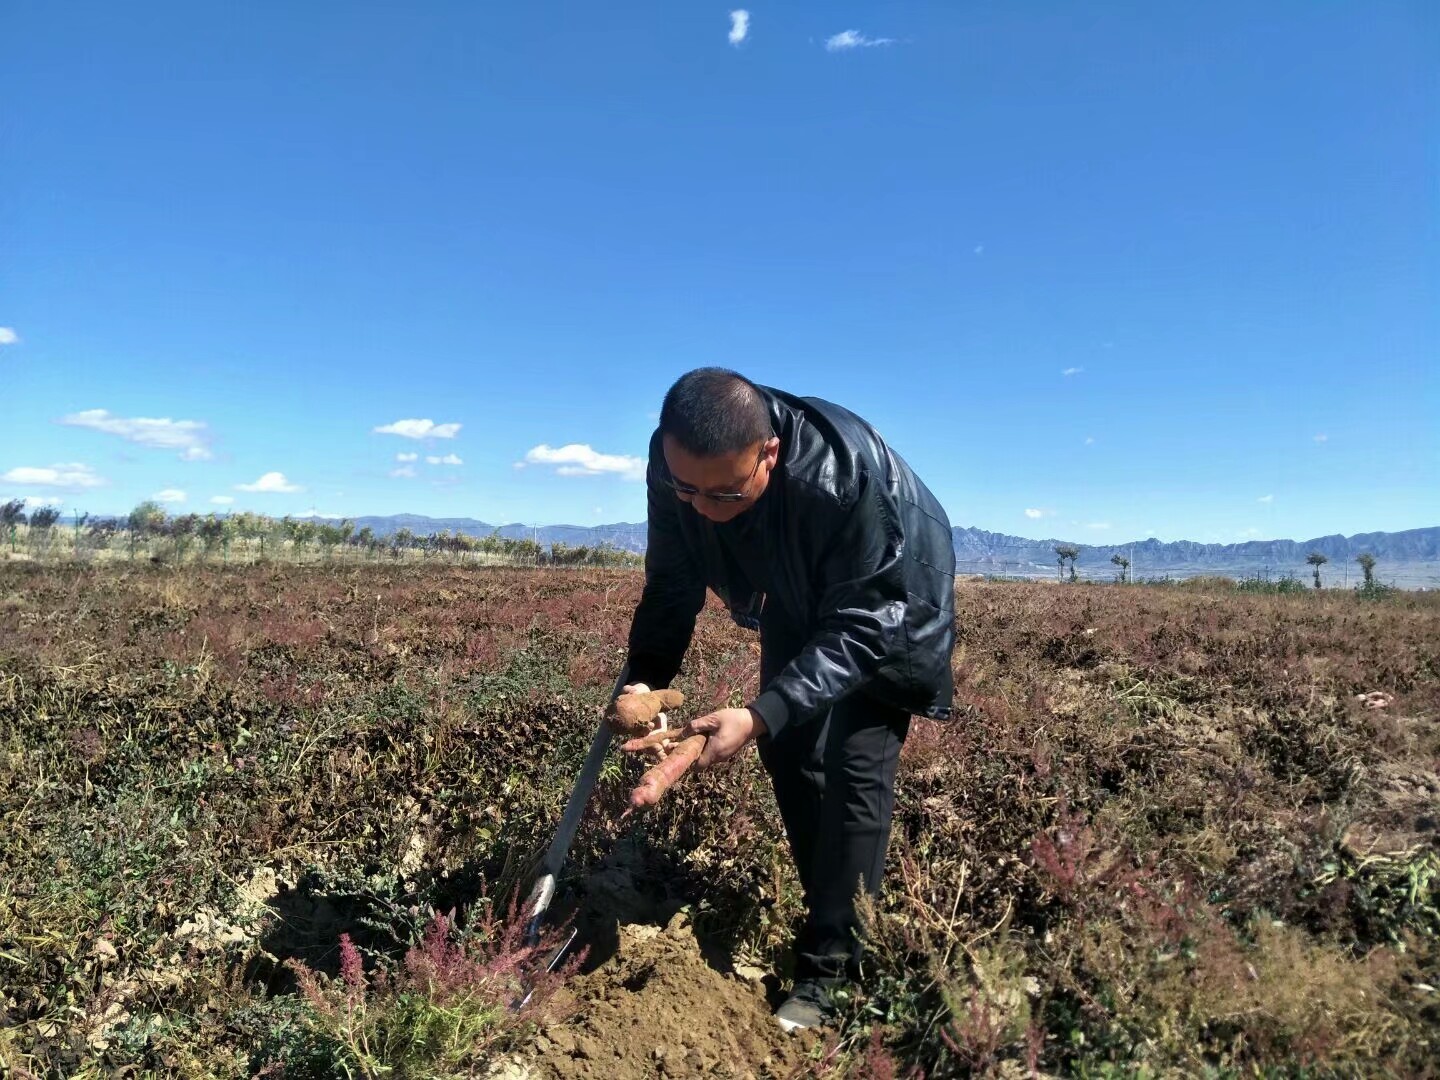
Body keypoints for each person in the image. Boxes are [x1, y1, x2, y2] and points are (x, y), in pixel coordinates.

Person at [618, 368, 957, 1032]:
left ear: (768, 453)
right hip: (799, 590)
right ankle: (829, 904)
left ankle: (833, 971)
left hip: (890, 595)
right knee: (790, 750)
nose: (702, 509)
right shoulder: (677, 468)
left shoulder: (843, 481)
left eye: (725, 493)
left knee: (858, 765)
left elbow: (865, 624)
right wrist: (648, 679)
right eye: (686, 487)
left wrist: (756, 712)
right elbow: (673, 579)